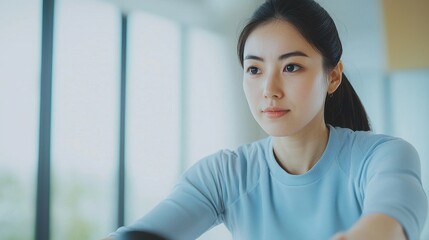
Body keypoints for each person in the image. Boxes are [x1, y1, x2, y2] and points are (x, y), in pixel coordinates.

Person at [103, 0, 428, 239]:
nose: (269, 90)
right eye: (255, 69)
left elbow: (388, 224)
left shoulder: (383, 156)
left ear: (333, 77)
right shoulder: (223, 175)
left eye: (291, 67)